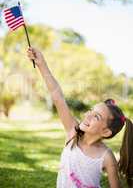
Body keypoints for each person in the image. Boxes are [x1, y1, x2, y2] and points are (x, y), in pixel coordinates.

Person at [27, 47, 133, 188]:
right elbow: (57, 97)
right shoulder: (72, 133)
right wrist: (42, 64)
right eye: (91, 110)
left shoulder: (106, 157)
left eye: (96, 116)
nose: (88, 115)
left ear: (106, 132)